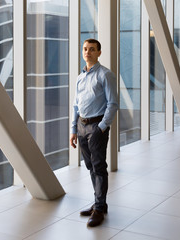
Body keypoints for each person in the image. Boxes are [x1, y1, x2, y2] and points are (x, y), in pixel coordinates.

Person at [70, 38, 118, 227]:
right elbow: (75, 105)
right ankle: (100, 204)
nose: (87, 52)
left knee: (98, 167)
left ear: (99, 52)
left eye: (91, 49)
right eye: (85, 49)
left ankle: (99, 208)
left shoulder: (105, 75)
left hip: (97, 126)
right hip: (82, 126)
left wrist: (102, 128)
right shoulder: (80, 77)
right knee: (90, 167)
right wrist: (74, 129)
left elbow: (113, 104)